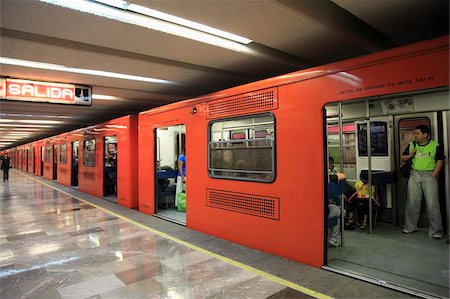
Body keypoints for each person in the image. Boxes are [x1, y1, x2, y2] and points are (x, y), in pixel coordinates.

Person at [401, 125, 445, 239]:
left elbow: (440, 161)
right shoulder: (412, 145)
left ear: (425, 135)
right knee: (412, 202)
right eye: (415, 133)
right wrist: (412, 154)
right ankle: (410, 227)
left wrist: (433, 175)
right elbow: (403, 158)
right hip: (414, 175)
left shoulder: (434, 145)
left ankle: (436, 231)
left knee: (432, 204)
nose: (415, 135)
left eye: (417, 133)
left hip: (429, 175)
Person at [327, 157, 346, 247]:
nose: (333, 165)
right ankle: (333, 237)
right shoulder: (329, 175)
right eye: (331, 163)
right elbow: (343, 176)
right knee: (342, 211)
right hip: (324, 210)